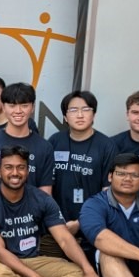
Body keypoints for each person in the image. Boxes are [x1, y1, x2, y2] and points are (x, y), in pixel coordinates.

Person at [0, 146, 106, 277]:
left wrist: (88, 270)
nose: (15, 172)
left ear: (28, 171)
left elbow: (65, 239)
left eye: (21, 167)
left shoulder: (42, 199)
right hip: (0, 264)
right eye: (8, 167)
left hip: (34, 260)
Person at [48, 90, 116, 239]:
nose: (80, 115)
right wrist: (54, 220)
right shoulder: (55, 141)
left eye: (86, 110)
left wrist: (81, 222)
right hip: (55, 224)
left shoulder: (106, 146)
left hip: (94, 225)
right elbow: (45, 186)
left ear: (94, 115)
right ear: (65, 117)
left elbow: (108, 192)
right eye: (73, 110)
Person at [0, 82, 54, 199]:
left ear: (33, 107)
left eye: (24, 105)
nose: (18, 111)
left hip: (31, 216)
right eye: (12, 106)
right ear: (4, 107)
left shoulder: (45, 147)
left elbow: (45, 193)